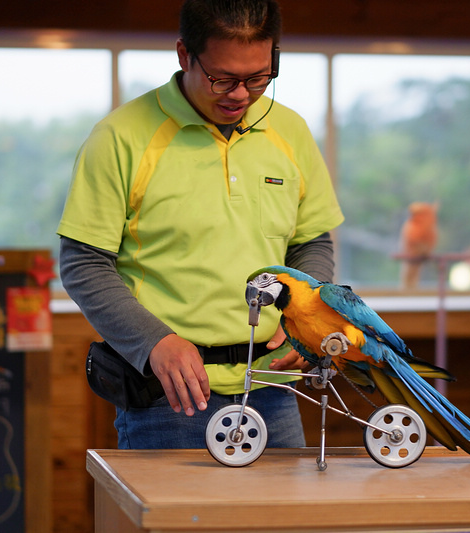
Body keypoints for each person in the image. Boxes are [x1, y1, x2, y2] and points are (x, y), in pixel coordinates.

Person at [57, 0, 343, 449]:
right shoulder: (120, 137)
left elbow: (312, 242)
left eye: (258, 78)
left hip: (274, 388)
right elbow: (83, 264)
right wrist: (155, 343)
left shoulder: (291, 131)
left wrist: (301, 316)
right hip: (169, 397)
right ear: (184, 55)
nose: (241, 95)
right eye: (222, 79)